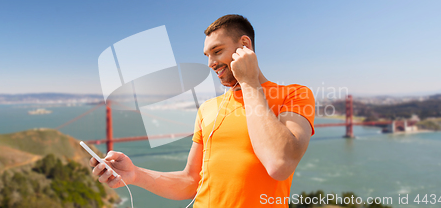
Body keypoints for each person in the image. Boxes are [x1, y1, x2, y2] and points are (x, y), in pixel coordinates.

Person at [90, 14, 315, 207]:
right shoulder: (208, 109)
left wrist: (249, 82)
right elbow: (190, 181)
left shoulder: (295, 94)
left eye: (217, 51)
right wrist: (135, 174)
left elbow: (280, 164)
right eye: (207, 55)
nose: (210, 63)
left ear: (245, 46)